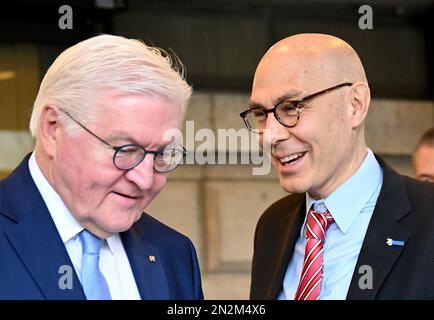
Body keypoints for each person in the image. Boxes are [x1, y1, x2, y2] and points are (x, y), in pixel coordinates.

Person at [0, 34, 203, 300]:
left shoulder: (174, 254)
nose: (145, 180)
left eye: (163, 153)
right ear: (53, 129)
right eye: (126, 150)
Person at [240, 33, 434, 300]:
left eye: (291, 107)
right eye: (261, 114)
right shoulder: (272, 226)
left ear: (355, 105)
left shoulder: (428, 218)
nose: (270, 135)